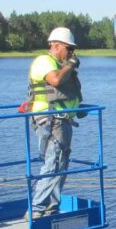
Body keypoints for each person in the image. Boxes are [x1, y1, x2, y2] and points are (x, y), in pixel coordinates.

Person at [27, 27, 82, 218]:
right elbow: (55, 80)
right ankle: (37, 208)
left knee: (60, 165)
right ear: (56, 46)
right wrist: (71, 65)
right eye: (69, 49)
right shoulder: (44, 61)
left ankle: (50, 205)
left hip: (63, 121)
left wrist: (77, 108)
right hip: (51, 121)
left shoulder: (59, 64)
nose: (71, 54)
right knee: (53, 163)